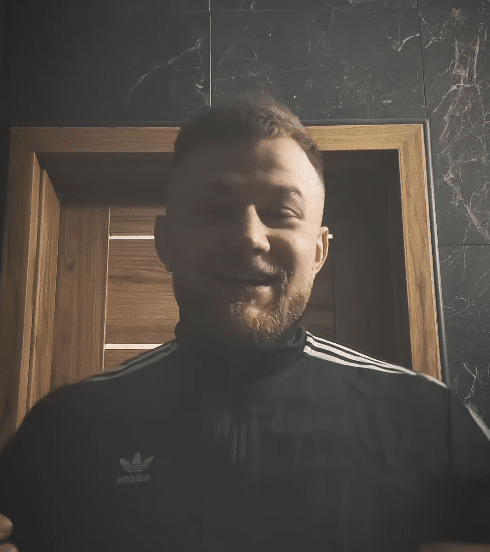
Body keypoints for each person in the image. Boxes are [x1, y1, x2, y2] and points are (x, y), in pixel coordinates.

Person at [0, 96, 489, 552]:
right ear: (166, 242)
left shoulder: (429, 421)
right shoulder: (63, 429)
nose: (249, 237)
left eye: (280, 212)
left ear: (319, 252)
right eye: (215, 210)